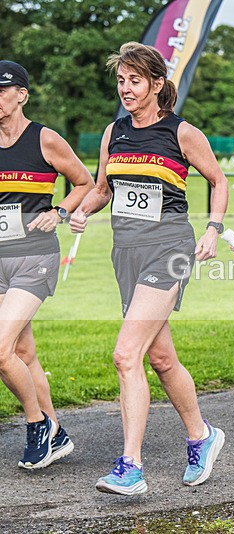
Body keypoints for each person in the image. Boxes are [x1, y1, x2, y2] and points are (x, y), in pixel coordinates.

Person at [69, 42, 228, 495]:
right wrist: (83, 209)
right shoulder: (112, 133)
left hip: (169, 250)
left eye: (135, 81)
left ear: (157, 84)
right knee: (159, 357)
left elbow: (218, 180)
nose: (126, 89)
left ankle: (130, 467)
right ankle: (202, 435)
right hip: (128, 254)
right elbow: (103, 189)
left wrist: (214, 228)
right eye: (121, 81)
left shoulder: (182, 133)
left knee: (126, 353)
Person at [0, 60, 93, 469]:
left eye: (2, 90)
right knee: (22, 351)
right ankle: (56, 429)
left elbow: (85, 182)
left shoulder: (45, 140)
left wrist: (59, 210)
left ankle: (38, 425)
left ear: (21, 94)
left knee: (1, 351)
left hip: (34, 256)